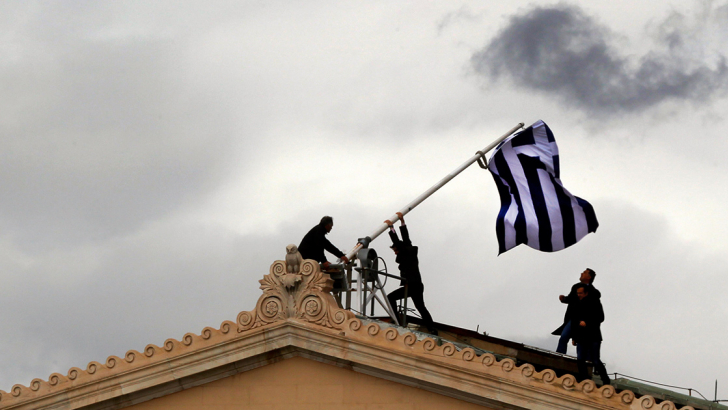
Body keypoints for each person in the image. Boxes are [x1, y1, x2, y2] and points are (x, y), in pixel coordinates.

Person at [386, 213, 436, 335]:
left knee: (390, 298)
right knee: (421, 307)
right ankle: (432, 329)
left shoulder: (406, 253)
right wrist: (402, 222)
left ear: (400, 249)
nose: (395, 253)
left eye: (396, 250)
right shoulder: (409, 252)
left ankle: (397, 320)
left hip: (412, 286)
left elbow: (399, 241)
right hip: (416, 285)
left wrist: (391, 227)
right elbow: (406, 239)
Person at [552, 268, 600, 354]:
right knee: (564, 336)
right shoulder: (576, 287)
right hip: (573, 318)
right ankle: (560, 354)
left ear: (589, 277)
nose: (582, 273)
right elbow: (571, 299)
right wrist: (564, 299)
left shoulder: (594, 292)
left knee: (583, 340)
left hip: (585, 320)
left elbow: (596, 309)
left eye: (584, 273)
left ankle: (584, 360)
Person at [570, 284, 610, 385]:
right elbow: (575, 321)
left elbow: (600, 318)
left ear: (586, 293)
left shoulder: (595, 303)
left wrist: (587, 323)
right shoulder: (577, 304)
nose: (578, 295)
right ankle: (584, 380)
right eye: (577, 293)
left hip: (593, 336)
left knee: (595, 360)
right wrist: (574, 337)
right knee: (580, 359)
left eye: (580, 293)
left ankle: (606, 381)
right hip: (581, 336)